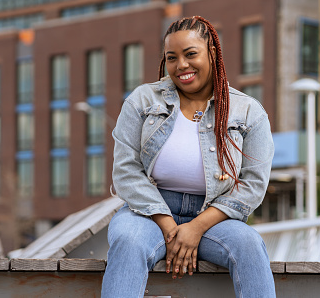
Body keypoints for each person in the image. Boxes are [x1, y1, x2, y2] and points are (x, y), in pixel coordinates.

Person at [101, 16, 276, 298]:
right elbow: (126, 171)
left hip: (215, 218)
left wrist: (196, 227)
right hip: (147, 214)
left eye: (191, 54)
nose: (181, 65)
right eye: (172, 57)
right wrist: (169, 226)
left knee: (249, 245)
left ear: (212, 53)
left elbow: (253, 184)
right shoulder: (143, 101)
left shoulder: (248, 111)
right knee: (128, 241)